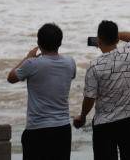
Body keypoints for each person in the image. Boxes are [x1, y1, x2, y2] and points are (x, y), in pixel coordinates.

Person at [73, 21, 130, 160]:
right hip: (128, 121)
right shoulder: (129, 54)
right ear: (117, 39)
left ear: (99, 40)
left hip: (104, 125)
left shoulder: (94, 66)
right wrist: (115, 35)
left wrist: (82, 116)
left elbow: (89, 98)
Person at [7, 22, 76, 160]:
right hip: (62, 128)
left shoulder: (32, 64)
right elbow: (71, 75)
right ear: (60, 43)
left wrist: (28, 57)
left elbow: (11, 78)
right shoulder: (70, 62)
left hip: (37, 129)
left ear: (39, 42)